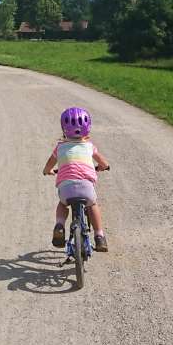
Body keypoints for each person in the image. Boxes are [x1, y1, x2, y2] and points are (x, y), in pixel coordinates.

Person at [42, 106, 110, 252]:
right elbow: (104, 163)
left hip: (66, 188)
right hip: (86, 188)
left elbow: (49, 165)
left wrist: (47, 171)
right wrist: (103, 167)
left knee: (62, 204)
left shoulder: (59, 147)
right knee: (93, 205)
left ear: (63, 128)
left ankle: (59, 225)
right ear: (88, 128)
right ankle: (99, 236)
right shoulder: (89, 146)